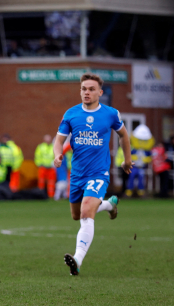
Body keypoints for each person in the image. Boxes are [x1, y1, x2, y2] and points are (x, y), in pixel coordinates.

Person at [54, 73, 132, 276]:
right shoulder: (70, 114)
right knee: (76, 215)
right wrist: (57, 155)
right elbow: (58, 140)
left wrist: (127, 159)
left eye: (90, 89)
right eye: (83, 89)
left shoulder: (111, 114)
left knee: (86, 212)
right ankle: (109, 204)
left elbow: (123, 135)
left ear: (100, 92)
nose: (86, 92)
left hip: (99, 173)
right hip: (78, 174)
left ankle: (77, 260)